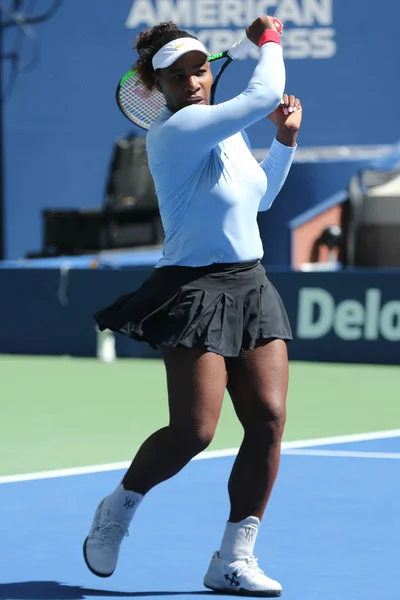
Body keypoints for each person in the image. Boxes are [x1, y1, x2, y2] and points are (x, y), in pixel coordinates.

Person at [84, 15, 302, 597]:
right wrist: (271, 40)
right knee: (195, 431)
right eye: (178, 77)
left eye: (200, 69)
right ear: (157, 92)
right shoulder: (173, 133)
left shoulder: (223, 131)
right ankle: (119, 506)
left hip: (251, 283)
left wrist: (283, 143)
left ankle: (233, 558)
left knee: (268, 421)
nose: (194, 82)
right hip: (192, 288)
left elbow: (258, 199)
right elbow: (263, 92)